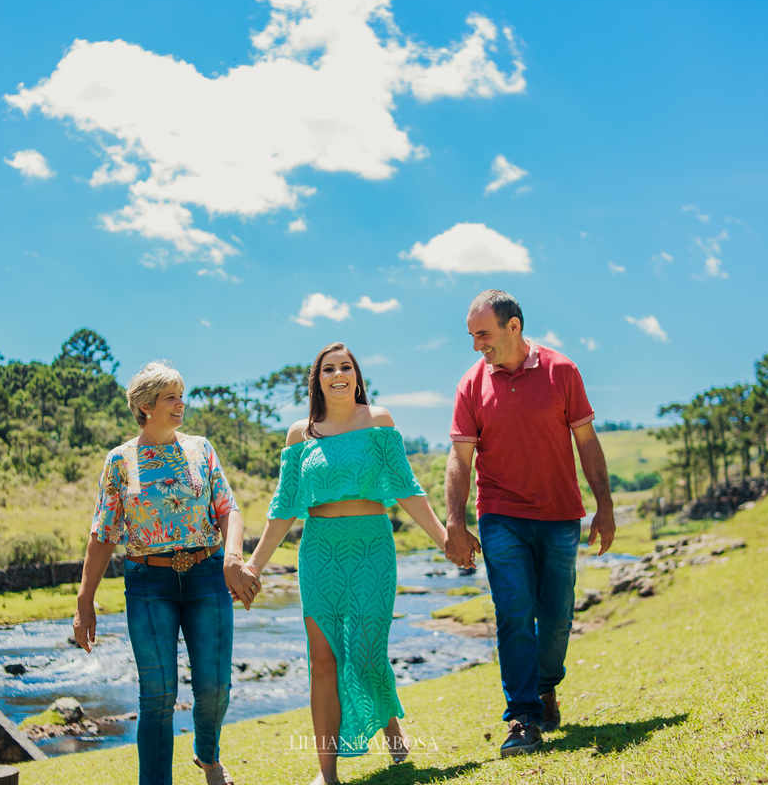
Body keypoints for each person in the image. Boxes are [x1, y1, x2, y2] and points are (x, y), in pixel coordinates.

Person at [247, 342, 449, 785]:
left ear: (357, 377)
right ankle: (327, 772)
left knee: (365, 654)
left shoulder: (378, 421)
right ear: (316, 380)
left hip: (372, 547)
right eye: (328, 369)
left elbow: (407, 488)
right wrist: (254, 566)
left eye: (345, 367)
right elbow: (283, 507)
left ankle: (390, 728)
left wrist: (445, 540)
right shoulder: (300, 434)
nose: (337, 374)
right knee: (323, 660)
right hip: (319, 550)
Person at [443, 290, 616, 758]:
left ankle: (545, 686)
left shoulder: (562, 370)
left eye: (483, 333)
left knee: (557, 616)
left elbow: (587, 440)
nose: (476, 344)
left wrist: (604, 506)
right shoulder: (471, 383)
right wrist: (455, 522)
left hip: (560, 515)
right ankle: (522, 716)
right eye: (471, 335)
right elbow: (460, 457)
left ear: (513, 326)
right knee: (514, 611)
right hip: (500, 515)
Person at [73, 361, 259, 785]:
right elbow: (103, 534)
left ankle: (208, 755)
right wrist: (85, 601)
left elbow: (228, 510)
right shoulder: (120, 460)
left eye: (181, 395)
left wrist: (232, 558)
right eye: (171, 397)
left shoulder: (200, 448)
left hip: (206, 576)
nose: (181, 404)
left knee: (215, 687)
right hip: (148, 584)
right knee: (157, 695)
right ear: (146, 406)